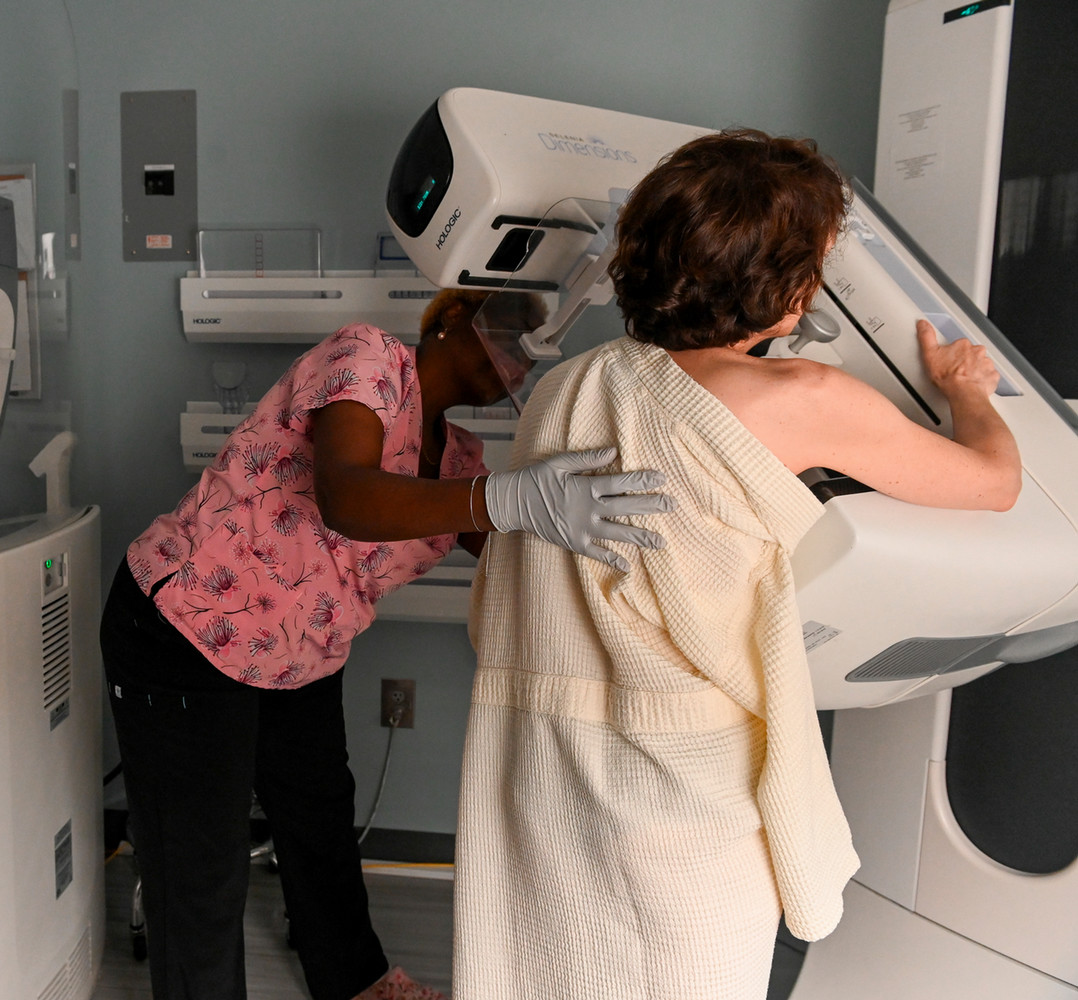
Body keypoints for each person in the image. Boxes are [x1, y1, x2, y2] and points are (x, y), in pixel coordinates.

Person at [452, 129, 1021, 1000]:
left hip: (545, 771)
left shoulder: (570, 387)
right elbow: (994, 483)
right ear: (788, 291)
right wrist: (968, 389)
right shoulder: (804, 400)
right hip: (680, 796)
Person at [102, 288, 673, 1000]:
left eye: (535, 346)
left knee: (321, 827)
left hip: (298, 655)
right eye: (510, 330)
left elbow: (517, 557)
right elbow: (349, 495)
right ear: (455, 318)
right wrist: (509, 499)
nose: (520, 357)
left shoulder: (460, 459)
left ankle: (358, 986)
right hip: (189, 625)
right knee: (200, 866)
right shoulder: (369, 356)